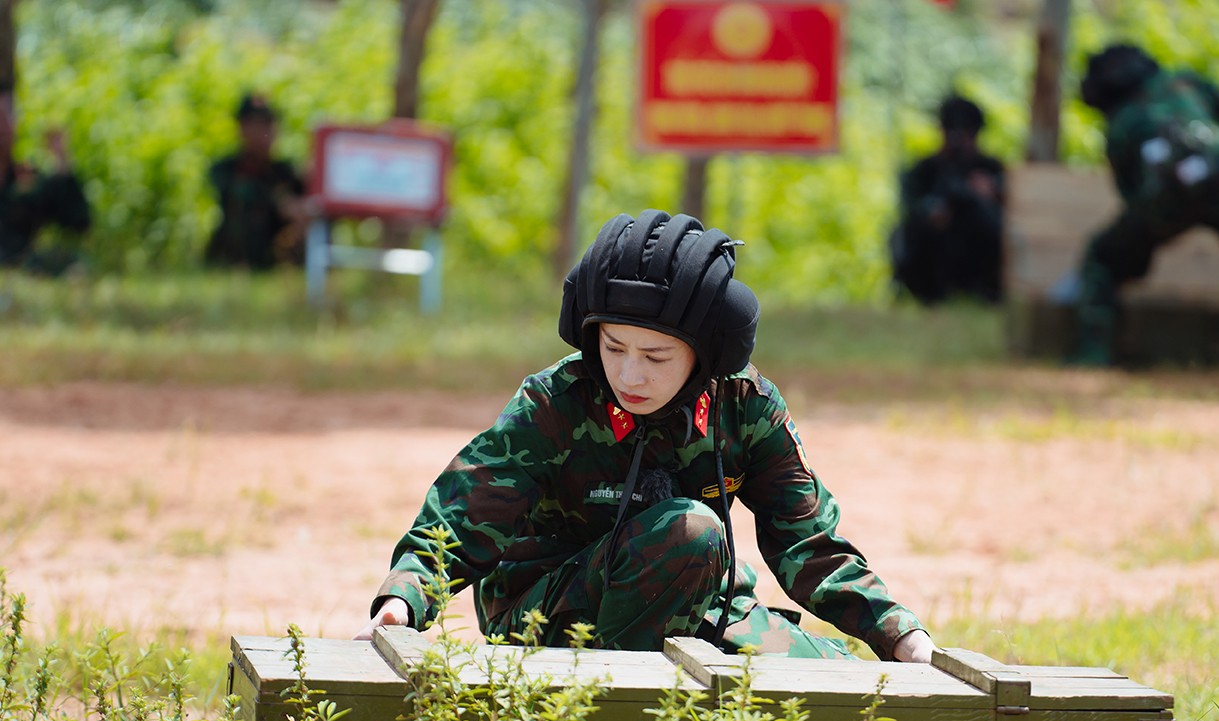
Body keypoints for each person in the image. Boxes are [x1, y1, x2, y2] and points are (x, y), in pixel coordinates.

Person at [355, 210, 938, 664]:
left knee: (826, 677)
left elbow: (807, 544)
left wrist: (898, 633)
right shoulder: (555, 403)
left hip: (699, 597)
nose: (631, 375)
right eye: (614, 348)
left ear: (704, 356)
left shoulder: (746, 406)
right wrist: (405, 598)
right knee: (689, 530)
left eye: (656, 356)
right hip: (551, 611)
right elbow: (463, 512)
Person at [1072, 44, 1219, 371]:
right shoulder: (1184, 84)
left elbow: (1132, 194)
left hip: (1166, 201)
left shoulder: (1121, 122)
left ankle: (1093, 355)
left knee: (1102, 258)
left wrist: (1139, 252)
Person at [891, 95, 1005, 304]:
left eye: (966, 133)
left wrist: (991, 194)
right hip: (934, 264)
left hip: (981, 261)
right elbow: (910, 208)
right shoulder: (925, 170)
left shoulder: (991, 170)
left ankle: (985, 292)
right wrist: (931, 212)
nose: (958, 142)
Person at [204, 92, 306, 270]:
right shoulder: (226, 169)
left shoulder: (286, 172)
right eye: (258, 124)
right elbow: (235, 191)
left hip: (277, 264)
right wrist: (279, 203)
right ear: (242, 128)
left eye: (269, 124)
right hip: (233, 261)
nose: (266, 132)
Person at [0, 91, 91, 273]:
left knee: (75, 265)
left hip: (21, 264)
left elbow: (77, 221)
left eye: (7, 117)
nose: (3, 125)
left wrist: (62, 163)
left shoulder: (28, 179)